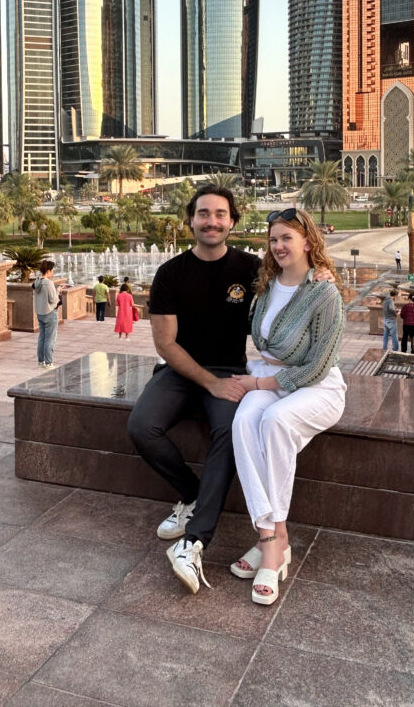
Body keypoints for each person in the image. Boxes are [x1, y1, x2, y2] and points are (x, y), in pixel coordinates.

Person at [127, 186, 334, 594]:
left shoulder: (250, 269)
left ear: (232, 222)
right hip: (181, 371)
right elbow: (166, 343)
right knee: (141, 426)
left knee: (230, 430)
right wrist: (211, 383)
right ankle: (191, 497)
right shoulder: (170, 273)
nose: (212, 221)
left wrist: (322, 274)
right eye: (204, 214)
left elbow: (295, 278)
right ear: (191, 220)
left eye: (220, 214)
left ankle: (196, 538)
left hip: (230, 369)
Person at [230, 208, 345, 605]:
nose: (279, 246)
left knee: (275, 421)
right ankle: (272, 537)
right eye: (274, 239)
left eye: (287, 239)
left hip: (317, 386)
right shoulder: (266, 286)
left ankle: (272, 546)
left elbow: (316, 364)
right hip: (272, 378)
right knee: (244, 419)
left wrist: (259, 382)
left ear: (308, 242)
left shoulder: (324, 292)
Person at [33, 260, 60, 369]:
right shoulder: (48, 283)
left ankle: (41, 362)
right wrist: (58, 291)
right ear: (48, 270)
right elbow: (53, 299)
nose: (53, 272)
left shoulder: (37, 282)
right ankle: (49, 363)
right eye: (52, 270)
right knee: (50, 339)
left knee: (42, 338)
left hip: (40, 313)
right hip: (49, 313)